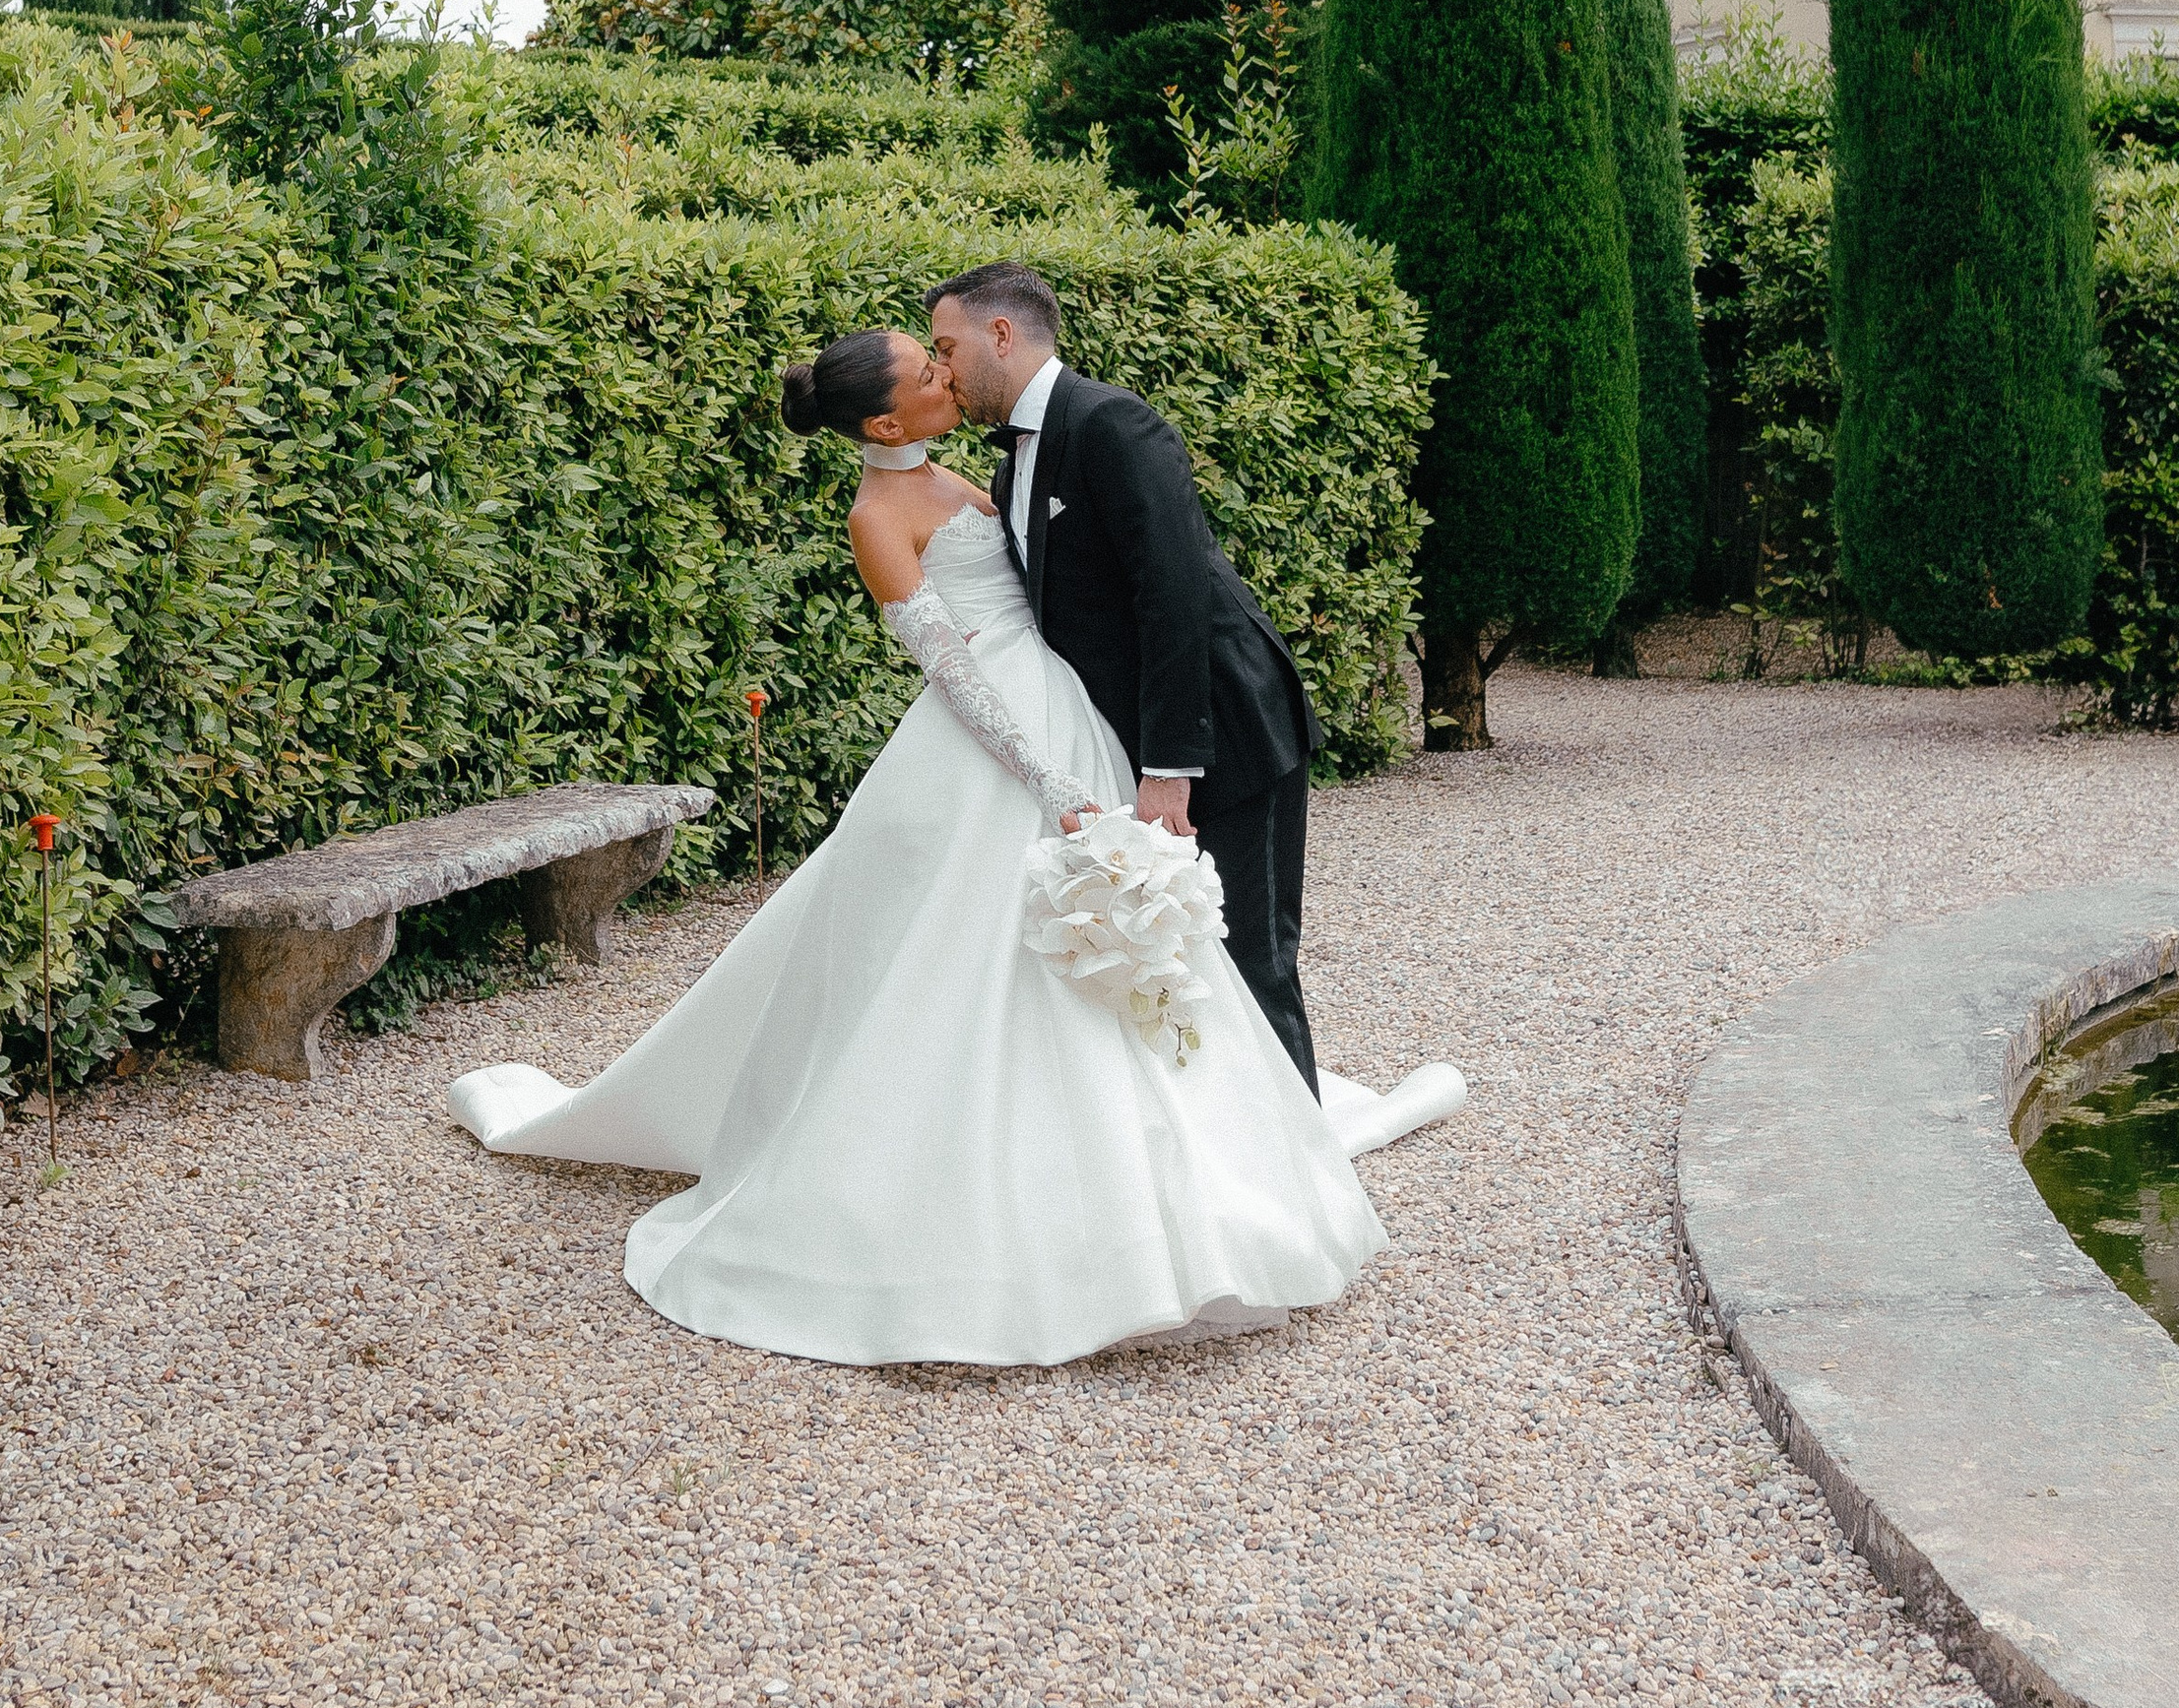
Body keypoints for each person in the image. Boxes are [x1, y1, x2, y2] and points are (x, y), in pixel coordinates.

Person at [445, 320, 1463, 1369]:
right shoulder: (877, 513)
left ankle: (1181, 1178)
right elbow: (952, 670)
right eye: (926, 370)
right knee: (966, 973)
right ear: (885, 419)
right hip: (1002, 744)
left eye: (940, 355)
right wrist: (1049, 782)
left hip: (1075, 713)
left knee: (1110, 969)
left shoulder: (980, 466)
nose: (946, 374)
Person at [928, 263, 1321, 1090]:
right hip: (1132, 741)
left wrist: (1169, 770)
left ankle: (1311, 1186)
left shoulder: (1112, 423)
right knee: (1177, 967)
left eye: (948, 348)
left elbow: (1172, 598)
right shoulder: (1010, 466)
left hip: (1229, 729)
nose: (946, 373)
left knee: (1254, 963)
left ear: (1002, 335)